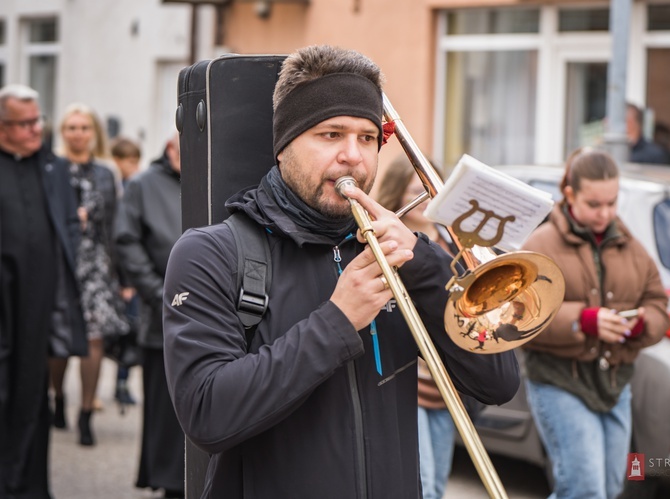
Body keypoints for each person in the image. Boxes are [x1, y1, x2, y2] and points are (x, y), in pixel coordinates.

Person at [162, 44, 520, 498]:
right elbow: (206, 414)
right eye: (331, 135)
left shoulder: (402, 255)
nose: (353, 156)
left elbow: (499, 381)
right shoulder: (210, 253)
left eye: (367, 138)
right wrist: (336, 321)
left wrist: (427, 267)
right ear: (285, 143)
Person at [520, 147, 670, 499]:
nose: (605, 214)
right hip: (559, 380)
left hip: (615, 383)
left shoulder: (630, 244)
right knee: (585, 489)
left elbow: (659, 304)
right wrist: (583, 320)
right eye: (594, 204)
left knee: (607, 488)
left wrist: (641, 326)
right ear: (570, 194)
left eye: (612, 203)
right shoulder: (541, 243)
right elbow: (520, 315)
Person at [0, 84, 87, 497]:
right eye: (25, 123)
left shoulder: (51, 167)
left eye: (38, 120)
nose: (36, 130)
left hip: (37, 301)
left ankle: (29, 487)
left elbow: (68, 222)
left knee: (32, 392)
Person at [376, 154, 459, 499]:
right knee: (421, 483)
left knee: (437, 483)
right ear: (397, 194)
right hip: (408, 377)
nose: (427, 197)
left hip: (446, 385)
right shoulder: (386, 240)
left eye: (431, 189)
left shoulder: (453, 242)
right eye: (417, 190)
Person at [48, 103, 129, 446]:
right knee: (60, 339)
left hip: (97, 263)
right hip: (59, 263)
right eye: (71, 127)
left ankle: (85, 412)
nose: (78, 134)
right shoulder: (51, 168)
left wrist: (123, 277)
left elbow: (116, 223)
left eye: (84, 128)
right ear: (62, 133)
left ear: (93, 133)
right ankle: (58, 398)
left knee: (94, 339)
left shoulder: (106, 172)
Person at [115, 133, 184, 498]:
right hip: (161, 316)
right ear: (169, 148)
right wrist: (161, 293)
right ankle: (168, 483)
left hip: (213, 317)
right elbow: (126, 242)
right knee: (164, 412)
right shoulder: (143, 185)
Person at [110, 137, 143, 408]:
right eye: (129, 161)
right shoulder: (117, 190)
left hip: (127, 278)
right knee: (124, 332)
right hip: (117, 275)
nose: (134, 167)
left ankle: (122, 382)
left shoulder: (134, 187)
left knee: (130, 332)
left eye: (136, 161)